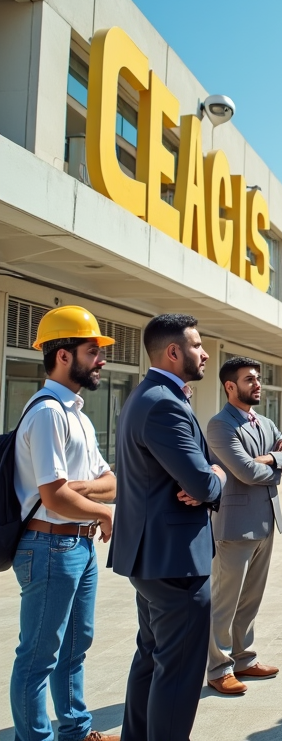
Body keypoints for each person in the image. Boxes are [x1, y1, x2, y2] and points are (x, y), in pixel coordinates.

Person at [109, 314, 226, 741]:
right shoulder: (163, 403)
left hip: (154, 557)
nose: (205, 353)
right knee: (177, 673)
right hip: (174, 562)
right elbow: (203, 482)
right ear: (173, 352)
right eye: (197, 345)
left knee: (152, 658)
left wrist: (203, 479)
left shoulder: (150, 395)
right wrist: (217, 475)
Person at [10, 306, 119, 741]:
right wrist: (102, 510)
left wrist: (86, 493)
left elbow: (110, 480)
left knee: (75, 648)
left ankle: (77, 731)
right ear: (63, 355)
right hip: (49, 546)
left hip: (78, 546)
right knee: (38, 657)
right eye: (93, 350)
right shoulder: (48, 413)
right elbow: (55, 496)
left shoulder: (77, 415)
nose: (101, 360)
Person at [205, 356, 282, 695]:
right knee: (225, 600)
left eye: (258, 378)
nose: (257, 384)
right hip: (234, 526)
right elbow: (244, 471)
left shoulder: (265, 422)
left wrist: (272, 457)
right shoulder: (220, 425)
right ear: (230, 386)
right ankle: (218, 667)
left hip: (266, 519)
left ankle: (244, 659)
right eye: (249, 379)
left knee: (250, 598)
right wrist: (276, 466)